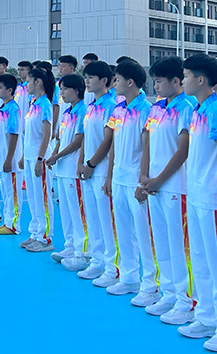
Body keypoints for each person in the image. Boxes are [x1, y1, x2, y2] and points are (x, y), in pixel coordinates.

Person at [178, 54, 217, 352]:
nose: (183, 81)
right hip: (198, 196)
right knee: (201, 260)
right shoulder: (198, 110)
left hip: (215, 198)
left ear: (201, 79)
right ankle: (206, 317)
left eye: (186, 76)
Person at [138, 56, 195, 323]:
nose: (156, 87)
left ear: (176, 81)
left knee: (179, 245)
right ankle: (169, 293)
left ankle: (187, 301)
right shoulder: (156, 108)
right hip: (154, 185)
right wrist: (144, 177)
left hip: (175, 187)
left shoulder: (187, 107)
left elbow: (183, 150)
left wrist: (160, 179)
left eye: (160, 81)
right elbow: (148, 143)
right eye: (154, 82)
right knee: (161, 241)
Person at [103, 59, 157, 303]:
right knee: (123, 230)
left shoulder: (146, 109)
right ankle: (129, 277)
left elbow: (147, 146)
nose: (114, 84)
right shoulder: (118, 109)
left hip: (135, 179)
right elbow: (114, 144)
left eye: (117, 80)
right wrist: (109, 175)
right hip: (119, 178)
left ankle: (150, 284)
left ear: (131, 82)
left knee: (143, 234)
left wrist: (142, 181)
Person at [77, 61, 119, 285]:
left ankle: (112, 268)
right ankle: (97, 260)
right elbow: (86, 135)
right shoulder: (91, 105)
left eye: (91, 77)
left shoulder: (110, 105)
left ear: (104, 81)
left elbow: (108, 140)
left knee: (106, 221)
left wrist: (92, 164)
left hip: (100, 169)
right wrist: (82, 161)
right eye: (86, 77)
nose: (87, 81)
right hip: (88, 167)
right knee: (92, 217)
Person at [47, 73, 87, 269]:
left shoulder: (83, 111)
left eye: (65, 89)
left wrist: (58, 155)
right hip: (62, 168)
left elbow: (79, 140)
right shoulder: (66, 112)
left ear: (77, 90)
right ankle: (70, 246)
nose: (61, 93)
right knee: (66, 210)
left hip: (72, 168)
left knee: (78, 212)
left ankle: (82, 253)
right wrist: (54, 154)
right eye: (60, 89)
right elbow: (62, 138)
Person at [20, 67, 55, 252]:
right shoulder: (33, 104)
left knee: (43, 197)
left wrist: (40, 159)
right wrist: (24, 156)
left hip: (39, 157)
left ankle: (46, 237)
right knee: (33, 197)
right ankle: (35, 233)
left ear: (38, 82)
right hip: (29, 156)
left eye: (28, 81)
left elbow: (46, 134)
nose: (26, 85)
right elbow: (29, 134)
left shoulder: (45, 105)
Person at [0, 74, 23, 235]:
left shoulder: (13, 109)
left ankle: (14, 225)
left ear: (10, 90)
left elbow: (14, 134)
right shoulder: (2, 108)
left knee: (12, 193)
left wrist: (9, 159)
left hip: (10, 159)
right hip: (0, 156)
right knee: (5, 192)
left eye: (0, 88)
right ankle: (7, 221)